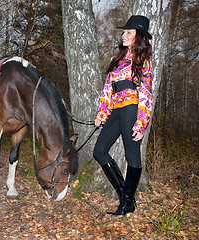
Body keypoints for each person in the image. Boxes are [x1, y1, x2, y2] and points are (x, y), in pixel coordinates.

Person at [93, 15, 153, 216]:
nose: (123, 35)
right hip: (116, 109)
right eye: (123, 32)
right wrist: (102, 112)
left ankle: (126, 203)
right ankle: (126, 197)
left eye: (129, 32)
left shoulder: (143, 60)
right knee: (99, 150)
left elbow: (146, 91)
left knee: (132, 155)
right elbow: (107, 88)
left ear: (139, 37)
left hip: (132, 108)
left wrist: (141, 121)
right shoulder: (116, 59)